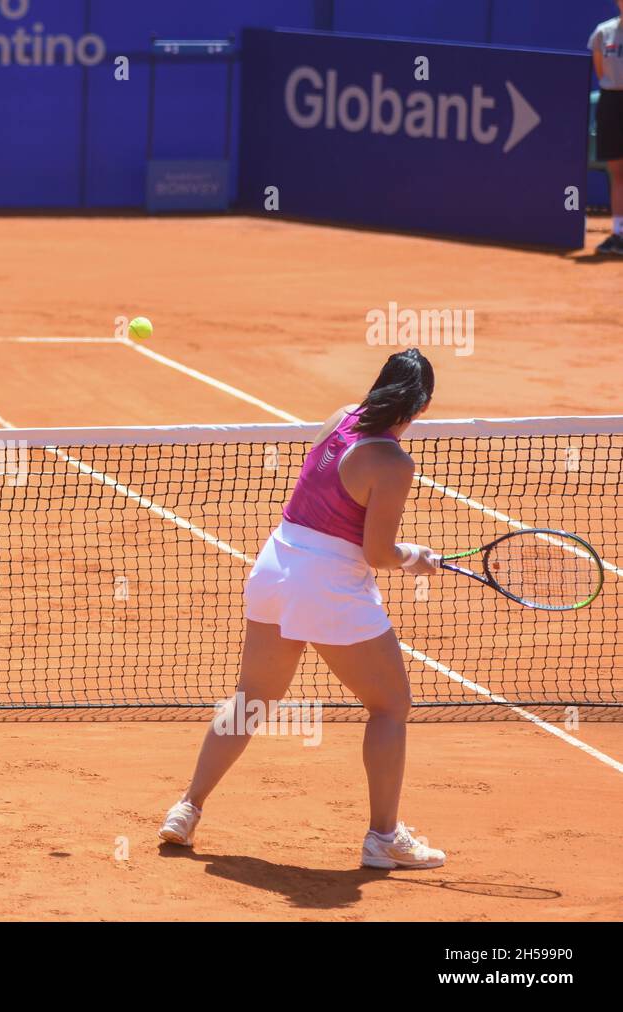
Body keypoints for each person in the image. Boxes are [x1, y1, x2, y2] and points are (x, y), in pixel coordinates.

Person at [159, 349, 447, 870]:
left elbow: (322, 497)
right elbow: (377, 553)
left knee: (251, 699)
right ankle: (383, 838)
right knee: (390, 707)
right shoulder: (394, 463)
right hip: (329, 586)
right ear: (422, 405)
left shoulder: (340, 417)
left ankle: (188, 807)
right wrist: (415, 558)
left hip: (275, 568)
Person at [591, 2, 623, 254]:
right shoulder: (603, 32)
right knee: (617, 172)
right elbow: (601, 70)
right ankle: (619, 233)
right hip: (612, 102)